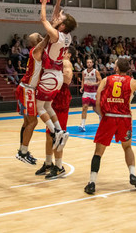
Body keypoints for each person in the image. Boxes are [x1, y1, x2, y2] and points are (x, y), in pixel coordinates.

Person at [84, 58, 136, 195]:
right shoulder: (133, 82)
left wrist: (102, 114)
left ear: (117, 68)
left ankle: (92, 183)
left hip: (109, 118)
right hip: (124, 119)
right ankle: (132, 174)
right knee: (127, 147)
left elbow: (98, 96)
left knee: (98, 152)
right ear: (128, 69)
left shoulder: (106, 80)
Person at [35, 0, 77, 151]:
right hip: (57, 77)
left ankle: (55, 132)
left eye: (61, 18)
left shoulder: (55, 36)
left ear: (63, 25)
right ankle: (60, 130)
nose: (59, 16)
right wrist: (58, 0)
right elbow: (55, 19)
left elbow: (44, 19)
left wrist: (44, 3)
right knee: (48, 106)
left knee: (40, 108)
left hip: (50, 76)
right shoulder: (67, 37)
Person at [37, 46, 74, 179]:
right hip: (53, 97)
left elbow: (68, 79)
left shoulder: (66, 63)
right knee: (49, 134)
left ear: (68, 54)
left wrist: (52, 76)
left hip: (61, 99)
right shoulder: (58, 63)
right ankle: (48, 163)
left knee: (58, 134)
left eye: (63, 51)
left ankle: (59, 167)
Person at [15, 32, 46, 165]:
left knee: (27, 122)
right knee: (33, 122)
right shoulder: (37, 50)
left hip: (25, 88)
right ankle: (23, 152)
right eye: (40, 36)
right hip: (27, 89)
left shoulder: (36, 50)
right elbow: (49, 39)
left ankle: (22, 151)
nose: (42, 36)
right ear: (38, 40)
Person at [79, 58, 102, 132]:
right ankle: (82, 125)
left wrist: (93, 83)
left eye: (90, 62)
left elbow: (100, 81)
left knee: (95, 109)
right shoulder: (83, 72)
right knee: (84, 107)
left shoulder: (96, 71)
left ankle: (101, 116)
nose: (89, 63)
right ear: (86, 64)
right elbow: (83, 80)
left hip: (94, 93)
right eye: (88, 62)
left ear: (92, 64)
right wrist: (82, 87)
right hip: (86, 92)